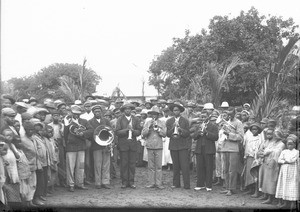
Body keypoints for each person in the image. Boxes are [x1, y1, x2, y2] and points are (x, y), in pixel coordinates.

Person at [64, 105, 90, 192]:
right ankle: (71, 184)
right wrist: (66, 125)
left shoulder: (84, 121)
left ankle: (80, 183)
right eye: (74, 113)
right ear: (72, 113)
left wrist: (83, 133)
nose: (76, 115)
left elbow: (91, 130)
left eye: (78, 114)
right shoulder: (67, 122)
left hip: (81, 146)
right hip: (71, 146)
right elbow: (65, 134)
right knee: (70, 167)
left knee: (81, 166)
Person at [116, 103, 141, 189]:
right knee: (124, 164)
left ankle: (131, 182)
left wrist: (133, 131)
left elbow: (139, 132)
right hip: (123, 145)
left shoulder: (136, 119)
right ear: (123, 111)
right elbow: (117, 132)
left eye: (129, 109)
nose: (128, 110)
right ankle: (124, 182)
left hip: (133, 144)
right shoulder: (120, 119)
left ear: (131, 110)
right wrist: (127, 130)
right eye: (126, 109)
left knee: (132, 164)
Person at [220, 107, 244, 196]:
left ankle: (231, 188)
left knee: (232, 170)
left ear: (235, 113)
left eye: (231, 114)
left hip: (234, 148)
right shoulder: (228, 122)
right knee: (225, 169)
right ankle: (227, 187)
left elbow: (241, 137)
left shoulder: (238, 123)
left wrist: (229, 134)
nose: (229, 116)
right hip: (225, 147)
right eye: (228, 114)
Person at [166, 102, 191, 189]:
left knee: (184, 166)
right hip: (173, 145)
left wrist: (180, 129)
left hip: (183, 146)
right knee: (175, 166)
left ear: (180, 111)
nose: (175, 112)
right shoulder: (169, 121)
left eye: (177, 110)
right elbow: (168, 134)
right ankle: (176, 184)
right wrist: (173, 128)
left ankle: (187, 185)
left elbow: (187, 134)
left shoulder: (185, 121)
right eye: (174, 110)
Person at [87, 105, 112, 189]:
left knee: (106, 164)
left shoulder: (106, 121)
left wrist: (110, 143)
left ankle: (105, 181)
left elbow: (111, 132)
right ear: (93, 113)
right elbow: (89, 134)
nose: (97, 113)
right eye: (96, 111)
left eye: (99, 111)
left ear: (101, 112)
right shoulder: (90, 122)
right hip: (96, 146)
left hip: (106, 145)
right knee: (97, 165)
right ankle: (98, 182)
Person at [192, 111, 219, 191]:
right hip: (199, 149)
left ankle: (208, 185)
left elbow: (215, 137)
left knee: (209, 167)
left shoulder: (213, 126)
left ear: (208, 117)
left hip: (209, 149)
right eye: (202, 117)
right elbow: (194, 137)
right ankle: (200, 184)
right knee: (200, 167)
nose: (203, 118)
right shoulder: (199, 125)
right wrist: (198, 133)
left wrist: (206, 133)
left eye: (204, 116)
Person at [258, 129, 285, 204]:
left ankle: (270, 198)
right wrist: (266, 152)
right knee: (265, 179)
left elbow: (277, 152)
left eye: (276, 135)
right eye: (274, 135)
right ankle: (265, 195)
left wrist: (269, 151)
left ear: (280, 136)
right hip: (266, 161)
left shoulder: (281, 144)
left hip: (273, 163)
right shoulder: (271, 142)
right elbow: (263, 150)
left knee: (271, 180)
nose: (275, 137)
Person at [142, 107, 166, 189]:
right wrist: (149, 127)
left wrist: (158, 129)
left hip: (159, 146)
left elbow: (164, 134)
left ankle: (158, 183)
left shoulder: (162, 123)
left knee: (159, 166)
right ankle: (151, 183)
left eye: (156, 114)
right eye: (153, 114)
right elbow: (143, 134)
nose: (154, 116)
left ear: (158, 115)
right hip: (150, 146)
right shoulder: (147, 122)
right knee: (151, 166)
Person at [275, 134, 299, 209]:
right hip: (284, 170)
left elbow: (292, 160)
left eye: (291, 144)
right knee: (283, 184)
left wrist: (285, 160)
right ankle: (284, 202)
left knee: (292, 186)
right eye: (288, 144)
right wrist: (285, 161)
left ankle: (292, 203)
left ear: (294, 145)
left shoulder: (296, 152)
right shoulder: (284, 151)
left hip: (292, 171)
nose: (289, 146)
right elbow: (279, 160)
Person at [243, 123, 262, 195]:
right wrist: (245, 156)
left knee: (255, 174)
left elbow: (260, 148)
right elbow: (246, 148)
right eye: (252, 129)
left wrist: (257, 156)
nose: (254, 131)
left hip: (256, 158)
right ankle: (250, 189)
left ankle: (256, 191)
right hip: (249, 157)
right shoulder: (249, 138)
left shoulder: (260, 138)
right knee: (249, 174)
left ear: (258, 130)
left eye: (256, 129)